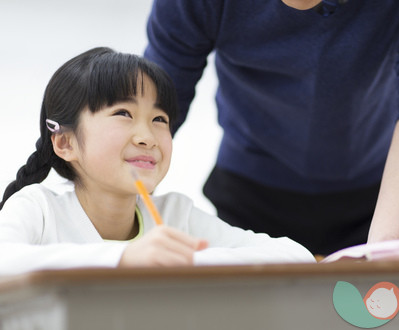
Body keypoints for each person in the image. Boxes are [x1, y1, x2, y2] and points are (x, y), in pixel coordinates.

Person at [144, 0, 399, 256]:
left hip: (382, 197)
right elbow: (156, 101)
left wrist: (381, 252)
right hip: (249, 195)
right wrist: (126, 223)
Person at [0, 47, 315, 276]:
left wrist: (185, 260)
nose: (147, 137)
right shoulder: (38, 208)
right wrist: (125, 258)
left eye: (160, 119)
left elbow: (295, 257)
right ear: (65, 142)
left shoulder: (176, 215)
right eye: (123, 113)